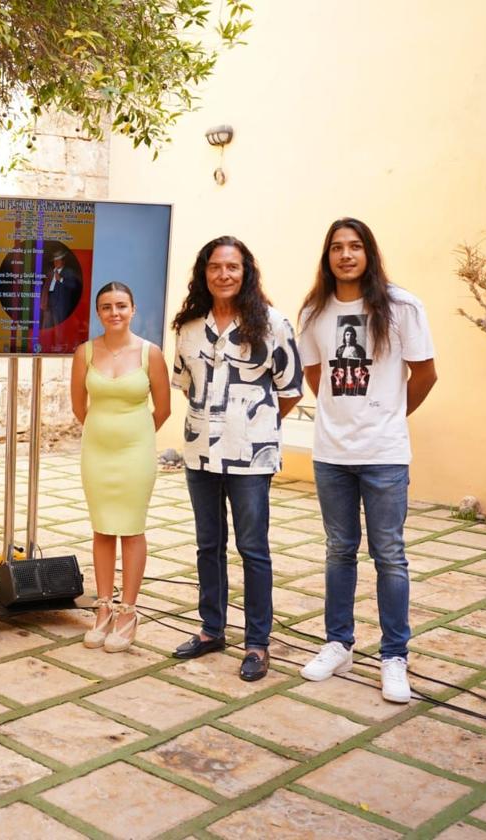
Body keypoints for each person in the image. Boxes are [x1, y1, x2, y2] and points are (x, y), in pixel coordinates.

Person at [296, 217, 437, 704]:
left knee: (389, 555)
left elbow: (425, 374)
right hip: (332, 453)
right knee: (339, 550)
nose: (346, 255)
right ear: (327, 256)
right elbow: (315, 374)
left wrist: (388, 416)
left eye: (355, 246)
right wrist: (342, 414)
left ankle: (394, 655)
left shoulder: (402, 307)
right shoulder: (314, 311)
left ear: (369, 253)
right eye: (337, 247)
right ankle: (338, 643)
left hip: (384, 454)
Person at [170, 236, 303, 682]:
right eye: (215, 267)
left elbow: (289, 391)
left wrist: (250, 425)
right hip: (200, 454)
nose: (223, 275)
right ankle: (212, 630)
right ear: (203, 273)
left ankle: (258, 643)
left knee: (253, 549)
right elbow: (186, 384)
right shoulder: (188, 328)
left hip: (252, 459)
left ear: (246, 272)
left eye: (232, 267)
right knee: (209, 545)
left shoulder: (273, 324)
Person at [70, 282, 170, 652]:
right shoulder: (84, 352)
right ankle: (104, 607)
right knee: (101, 529)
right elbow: (79, 405)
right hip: (96, 452)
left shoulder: (151, 353)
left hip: (136, 453)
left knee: (130, 529)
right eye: (107, 306)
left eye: (121, 306)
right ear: (98, 313)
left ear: (133, 309)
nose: (115, 312)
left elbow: (164, 408)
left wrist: (136, 436)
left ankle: (128, 611)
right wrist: (104, 433)